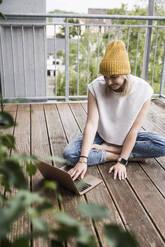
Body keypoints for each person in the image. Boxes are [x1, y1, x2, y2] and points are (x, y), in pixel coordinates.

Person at [63, 40, 165, 181]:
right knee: (70, 154)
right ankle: (125, 156)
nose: (109, 82)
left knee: (163, 146)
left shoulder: (145, 90)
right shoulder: (95, 87)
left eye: (114, 77)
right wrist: (82, 161)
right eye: (105, 77)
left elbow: (134, 130)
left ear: (125, 74)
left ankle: (111, 150)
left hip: (128, 136)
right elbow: (92, 124)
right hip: (102, 135)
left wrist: (121, 161)